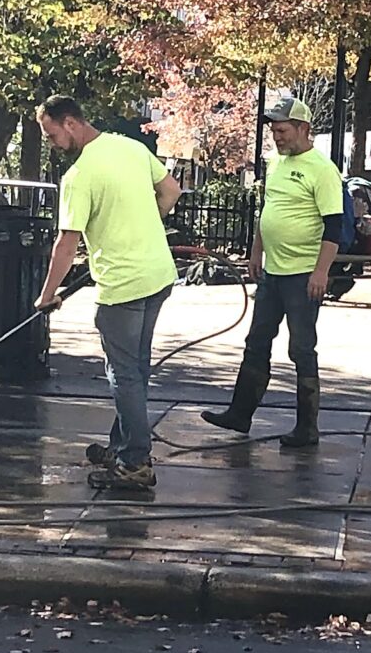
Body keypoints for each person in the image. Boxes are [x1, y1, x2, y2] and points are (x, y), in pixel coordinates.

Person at [35, 96, 181, 492]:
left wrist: (48, 294)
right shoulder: (131, 147)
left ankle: (135, 462)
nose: (51, 143)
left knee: (124, 375)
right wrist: (144, 220)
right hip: (158, 274)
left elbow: (67, 243)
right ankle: (123, 446)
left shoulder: (80, 175)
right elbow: (171, 190)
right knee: (136, 369)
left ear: (70, 123)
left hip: (123, 285)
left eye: (51, 134)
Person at [200, 97, 343, 448]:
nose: (277, 138)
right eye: (273, 131)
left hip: (302, 274)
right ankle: (240, 413)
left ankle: (307, 427)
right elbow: (269, 210)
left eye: (282, 130)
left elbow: (334, 227)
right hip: (273, 271)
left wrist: (320, 272)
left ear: (303, 129)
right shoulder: (277, 163)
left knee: (302, 348)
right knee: (257, 341)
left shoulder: (322, 170)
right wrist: (256, 252)